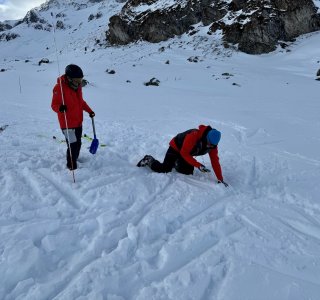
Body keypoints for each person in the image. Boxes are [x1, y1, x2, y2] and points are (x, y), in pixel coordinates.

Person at [137, 125, 228, 187]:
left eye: (211, 145)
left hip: (186, 153)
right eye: (208, 143)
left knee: (187, 172)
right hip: (176, 148)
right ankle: (149, 160)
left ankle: (176, 162)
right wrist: (198, 165)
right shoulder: (193, 136)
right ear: (206, 137)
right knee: (164, 169)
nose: (209, 146)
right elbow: (184, 153)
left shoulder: (212, 146)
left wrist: (220, 179)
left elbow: (215, 161)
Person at [51, 64, 95, 170]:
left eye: (81, 79)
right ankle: (71, 165)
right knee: (72, 145)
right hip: (67, 123)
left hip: (78, 122)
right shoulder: (59, 88)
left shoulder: (78, 87)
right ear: (69, 78)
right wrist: (60, 108)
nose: (80, 82)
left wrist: (90, 111)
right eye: (77, 80)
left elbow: (81, 102)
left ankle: (74, 157)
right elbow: (54, 105)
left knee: (78, 143)